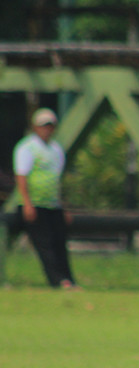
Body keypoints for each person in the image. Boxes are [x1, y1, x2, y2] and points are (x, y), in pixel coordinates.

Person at [13, 108, 78, 289]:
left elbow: (56, 180)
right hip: (34, 204)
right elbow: (22, 177)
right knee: (45, 244)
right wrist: (27, 203)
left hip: (52, 204)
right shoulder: (27, 148)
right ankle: (57, 280)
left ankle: (68, 279)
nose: (46, 130)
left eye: (49, 126)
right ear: (35, 127)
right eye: (43, 126)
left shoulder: (56, 150)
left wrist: (62, 206)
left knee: (59, 241)